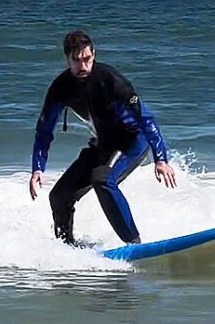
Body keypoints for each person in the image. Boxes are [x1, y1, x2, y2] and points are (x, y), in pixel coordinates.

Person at [29, 31, 176, 245]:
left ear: (93, 55)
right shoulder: (60, 88)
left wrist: (160, 159)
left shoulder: (110, 80)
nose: (83, 66)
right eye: (76, 61)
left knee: (103, 179)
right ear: (67, 59)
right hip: (103, 145)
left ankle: (134, 244)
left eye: (87, 59)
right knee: (59, 196)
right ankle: (66, 249)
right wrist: (37, 169)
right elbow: (44, 130)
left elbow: (146, 119)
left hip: (132, 141)